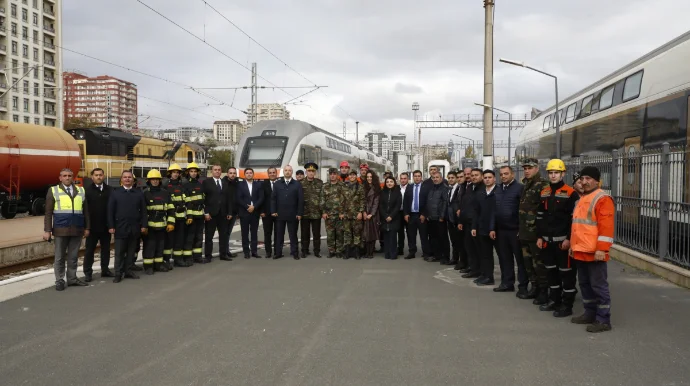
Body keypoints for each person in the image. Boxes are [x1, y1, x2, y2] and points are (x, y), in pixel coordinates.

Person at [570, 166, 614, 333]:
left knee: (599, 286)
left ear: (597, 180)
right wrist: (573, 247)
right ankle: (590, 313)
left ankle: (603, 319)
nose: (585, 181)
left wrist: (602, 249)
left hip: (595, 252)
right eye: (582, 179)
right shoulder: (583, 198)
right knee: (585, 285)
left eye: (588, 178)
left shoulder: (602, 198)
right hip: (581, 250)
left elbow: (606, 227)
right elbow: (578, 227)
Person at [536, 159, 578, 316]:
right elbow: (540, 217)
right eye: (551, 173)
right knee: (551, 273)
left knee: (566, 274)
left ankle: (567, 306)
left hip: (563, 243)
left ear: (563, 174)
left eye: (556, 173)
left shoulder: (571, 193)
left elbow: (573, 220)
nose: (553, 176)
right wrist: (539, 237)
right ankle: (555, 301)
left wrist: (568, 239)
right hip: (547, 242)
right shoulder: (544, 192)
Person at [43, 168, 90, 291]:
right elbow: (48, 213)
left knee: (73, 256)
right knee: (59, 257)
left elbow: (86, 212)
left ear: (73, 177)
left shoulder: (81, 190)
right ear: (60, 178)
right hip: (60, 229)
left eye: (69, 175)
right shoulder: (53, 190)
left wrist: (87, 227)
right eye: (64, 176)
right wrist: (47, 230)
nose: (67, 178)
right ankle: (59, 280)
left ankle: (72, 278)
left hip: (77, 228)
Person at [519, 158, 550, 303]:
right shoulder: (526, 184)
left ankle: (543, 291)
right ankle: (534, 288)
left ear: (537, 168)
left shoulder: (543, 185)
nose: (526, 170)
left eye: (530, 168)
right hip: (525, 232)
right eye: (525, 168)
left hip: (536, 233)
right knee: (528, 263)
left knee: (539, 264)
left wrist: (541, 234)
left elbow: (545, 210)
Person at [107, 170, 147, 283]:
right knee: (119, 252)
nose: (127, 179)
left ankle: (128, 271)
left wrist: (144, 225)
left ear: (133, 180)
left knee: (131, 251)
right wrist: (111, 226)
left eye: (129, 177)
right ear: (121, 180)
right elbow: (110, 211)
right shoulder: (115, 193)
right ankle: (118, 273)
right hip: (120, 227)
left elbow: (143, 211)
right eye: (125, 177)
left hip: (135, 227)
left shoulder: (138, 193)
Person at [494, 166, 527, 294]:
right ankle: (507, 283)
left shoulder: (519, 188)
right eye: (501, 174)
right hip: (501, 230)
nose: (503, 176)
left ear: (512, 174)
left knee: (520, 260)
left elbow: (523, 210)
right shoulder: (498, 189)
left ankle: (523, 286)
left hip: (515, 230)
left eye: (506, 174)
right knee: (504, 258)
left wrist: (521, 228)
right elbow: (494, 209)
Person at [142, 169, 175, 275]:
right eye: (153, 179)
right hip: (150, 226)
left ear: (160, 180)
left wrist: (171, 223)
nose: (155, 181)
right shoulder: (145, 193)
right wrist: (144, 226)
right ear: (149, 181)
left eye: (157, 179)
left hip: (162, 225)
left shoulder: (165, 193)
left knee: (160, 246)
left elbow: (171, 209)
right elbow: (142, 212)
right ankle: (148, 266)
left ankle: (158, 264)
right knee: (150, 246)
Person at [83, 168, 113, 282]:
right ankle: (88, 273)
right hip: (92, 227)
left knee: (106, 250)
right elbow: (84, 210)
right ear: (92, 177)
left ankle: (105, 270)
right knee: (89, 250)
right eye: (96, 175)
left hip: (106, 226)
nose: (99, 177)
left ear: (103, 176)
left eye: (100, 175)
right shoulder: (87, 191)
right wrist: (86, 227)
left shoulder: (110, 190)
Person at [202, 164, 234, 263]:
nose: (217, 171)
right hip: (211, 214)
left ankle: (223, 254)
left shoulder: (225, 183)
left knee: (223, 236)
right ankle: (208, 256)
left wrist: (229, 212)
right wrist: (206, 212)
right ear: (212, 171)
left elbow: (229, 199)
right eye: (215, 170)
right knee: (209, 236)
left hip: (223, 214)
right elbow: (204, 199)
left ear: (221, 171)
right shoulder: (206, 182)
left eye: (219, 170)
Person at [271, 165, 304, 259]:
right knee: (279, 235)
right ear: (283, 172)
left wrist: (299, 213)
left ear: (292, 172)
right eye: (286, 170)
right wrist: (273, 211)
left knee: (293, 235)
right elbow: (273, 198)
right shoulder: (277, 184)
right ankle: (278, 253)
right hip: (279, 214)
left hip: (293, 214)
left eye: (289, 170)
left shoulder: (297, 184)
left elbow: (300, 200)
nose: (287, 172)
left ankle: (295, 253)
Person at [472, 170, 497, 286]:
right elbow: (476, 211)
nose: (487, 179)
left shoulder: (499, 192)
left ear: (494, 179)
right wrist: (474, 227)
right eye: (485, 177)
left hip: (496, 229)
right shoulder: (480, 193)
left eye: (490, 177)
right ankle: (486, 276)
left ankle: (507, 280)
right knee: (485, 254)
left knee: (502, 256)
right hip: (482, 228)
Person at [458, 168, 484, 278]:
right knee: (469, 247)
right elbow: (464, 206)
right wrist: (461, 221)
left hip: (477, 224)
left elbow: (478, 209)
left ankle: (479, 271)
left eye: (475, 175)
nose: (472, 177)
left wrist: (474, 224)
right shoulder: (468, 187)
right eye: (470, 175)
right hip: (467, 222)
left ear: (481, 176)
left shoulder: (482, 189)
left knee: (478, 249)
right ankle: (472, 268)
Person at [235, 167, 263, 259]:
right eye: (247, 173)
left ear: (253, 174)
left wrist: (254, 207)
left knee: (254, 233)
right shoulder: (240, 185)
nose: (249, 174)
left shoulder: (258, 185)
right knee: (245, 233)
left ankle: (254, 251)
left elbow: (261, 198)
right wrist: (248, 207)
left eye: (250, 173)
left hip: (255, 212)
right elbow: (239, 198)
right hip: (244, 212)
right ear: (244, 175)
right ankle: (246, 252)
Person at [164, 163, 188, 268]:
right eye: (174, 172)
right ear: (170, 173)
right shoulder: (165, 185)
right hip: (170, 218)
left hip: (181, 217)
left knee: (179, 239)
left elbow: (186, 199)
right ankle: (166, 260)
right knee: (168, 240)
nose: (176, 174)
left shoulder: (182, 185)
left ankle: (178, 259)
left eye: (177, 172)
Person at [321, 168, 347, 258]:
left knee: (340, 233)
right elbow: (322, 200)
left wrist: (343, 212)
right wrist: (323, 212)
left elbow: (345, 200)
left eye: (334, 174)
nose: (332, 175)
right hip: (329, 215)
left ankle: (339, 250)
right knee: (330, 234)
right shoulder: (325, 186)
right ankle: (331, 251)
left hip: (340, 214)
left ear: (337, 175)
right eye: (331, 174)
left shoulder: (342, 185)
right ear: (329, 175)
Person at [424, 173, 449, 263]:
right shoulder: (432, 189)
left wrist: (442, 216)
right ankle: (436, 255)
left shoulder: (444, 188)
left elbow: (445, 203)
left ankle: (445, 257)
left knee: (442, 238)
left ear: (441, 178)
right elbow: (428, 203)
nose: (435, 179)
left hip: (439, 218)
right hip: (431, 218)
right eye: (433, 178)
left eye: (437, 177)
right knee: (433, 238)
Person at [183, 162, 205, 265]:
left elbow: (203, 200)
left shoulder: (200, 185)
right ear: (188, 173)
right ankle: (188, 257)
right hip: (191, 216)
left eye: (195, 171)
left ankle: (198, 256)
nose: (193, 173)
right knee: (189, 237)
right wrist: (189, 216)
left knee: (199, 237)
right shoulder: (185, 185)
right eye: (191, 171)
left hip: (200, 215)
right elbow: (187, 202)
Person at [300, 162, 323, 258]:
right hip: (304, 213)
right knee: (305, 234)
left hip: (316, 213)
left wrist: (322, 211)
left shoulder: (319, 183)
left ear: (315, 172)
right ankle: (304, 250)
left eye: (312, 171)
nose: (311, 173)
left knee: (316, 234)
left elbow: (322, 198)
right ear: (306, 172)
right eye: (309, 171)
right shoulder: (300, 183)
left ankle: (317, 251)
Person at [344, 171, 365, 259]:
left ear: (356, 176)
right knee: (347, 233)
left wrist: (360, 212)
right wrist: (342, 212)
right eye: (350, 175)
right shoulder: (344, 186)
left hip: (356, 214)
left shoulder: (360, 186)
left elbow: (362, 200)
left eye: (353, 175)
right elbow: (341, 200)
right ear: (348, 176)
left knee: (357, 233)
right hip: (346, 214)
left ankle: (357, 253)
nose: (352, 176)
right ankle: (347, 253)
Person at [402, 170, 424, 259]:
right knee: (411, 235)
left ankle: (426, 252)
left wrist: (424, 214)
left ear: (421, 177)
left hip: (421, 215)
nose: (417, 178)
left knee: (423, 235)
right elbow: (405, 202)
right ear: (413, 177)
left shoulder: (424, 187)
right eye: (415, 176)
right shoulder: (409, 187)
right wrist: (406, 213)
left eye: (419, 176)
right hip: (411, 215)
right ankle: (412, 252)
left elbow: (427, 202)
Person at [379, 176, 402, 260]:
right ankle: (387, 253)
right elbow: (380, 205)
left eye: (391, 182)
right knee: (386, 236)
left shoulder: (397, 192)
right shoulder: (382, 192)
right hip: (384, 218)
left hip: (394, 217)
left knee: (392, 236)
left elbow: (398, 206)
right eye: (387, 182)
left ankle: (393, 254)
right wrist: (385, 216)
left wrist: (391, 216)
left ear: (394, 183)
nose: (389, 183)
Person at [260, 167, 279, 259]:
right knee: (267, 233)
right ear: (268, 174)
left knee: (278, 233)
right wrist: (262, 211)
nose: (272, 174)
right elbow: (261, 199)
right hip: (266, 213)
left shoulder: (280, 184)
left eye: (273, 172)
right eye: (270, 173)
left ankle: (277, 251)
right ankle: (268, 251)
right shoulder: (263, 184)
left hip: (278, 213)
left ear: (276, 173)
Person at [363, 171, 381, 258]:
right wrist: (364, 212)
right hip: (365, 213)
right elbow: (362, 200)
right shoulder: (363, 187)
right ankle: (366, 252)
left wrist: (371, 214)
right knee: (366, 233)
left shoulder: (376, 188)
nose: (369, 178)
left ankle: (370, 252)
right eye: (367, 177)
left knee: (372, 233)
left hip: (373, 214)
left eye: (370, 177)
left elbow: (376, 203)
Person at [222, 167, 240, 258]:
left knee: (228, 232)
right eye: (230, 173)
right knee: (224, 232)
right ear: (227, 174)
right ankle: (224, 252)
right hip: (225, 213)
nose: (232, 175)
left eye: (234, 173)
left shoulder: (237, 184)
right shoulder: (223, 183)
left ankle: (227, 250)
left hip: (234, 212)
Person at [445, 171, 462, 266]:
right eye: (449, 178)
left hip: (457, 219)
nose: (451, 179)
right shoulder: (448, 189)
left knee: (459, 241)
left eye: (452, 178)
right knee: (454, 241)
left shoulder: (459, 189)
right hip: (450, 219)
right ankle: (454, 258)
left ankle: (460, 260)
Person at [453, 171, 468, 271]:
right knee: (459, 242)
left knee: (465, 244)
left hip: (465, 219)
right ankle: (461, 261)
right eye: (457, 177)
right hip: (456, 219)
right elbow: (455, 201)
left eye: (461, 177)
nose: (459, 179)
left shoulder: (467, 188)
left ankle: (466, 263)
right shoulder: (459, 187)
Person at [397, 172, 410, 256]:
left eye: (405, 178)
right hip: (398, 213)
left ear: (407, 179)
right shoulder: (396, 188)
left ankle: (411, 249)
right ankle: (400, 249)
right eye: (401, 178)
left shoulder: (411, 188)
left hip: (408, 213)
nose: (403, 180)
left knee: (410, 232)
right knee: (400, 232)